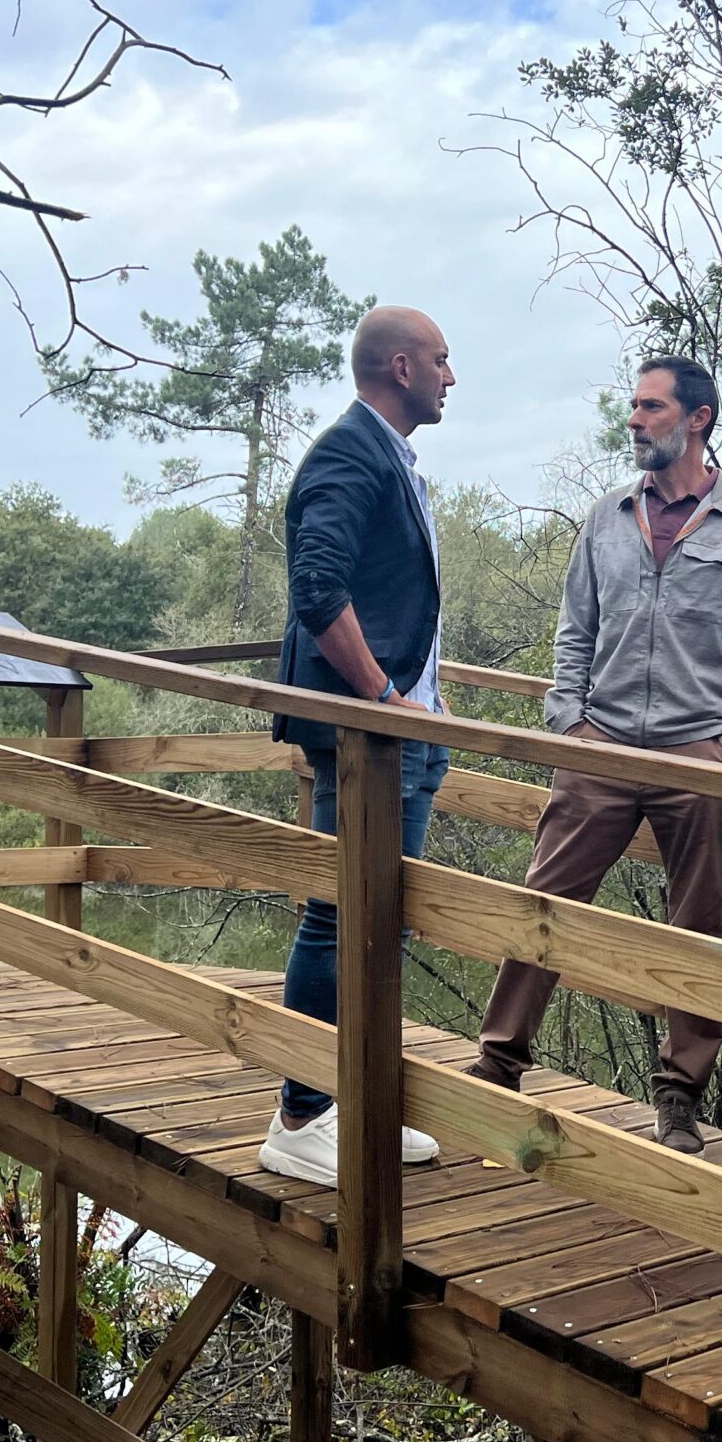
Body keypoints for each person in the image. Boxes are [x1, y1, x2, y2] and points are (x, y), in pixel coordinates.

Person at [469, 355, 722, 1154]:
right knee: (546, 903)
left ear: (698, 418)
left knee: (697, 926)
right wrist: (570, 723)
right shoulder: (607, 516)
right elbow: (575, 631)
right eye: (635, 406)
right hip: (601, 747)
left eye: (651, 407)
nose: (635, 420)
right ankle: (498, 1063)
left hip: (694, 757)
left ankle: (679, 1095)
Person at [259, 306, 458, 1185]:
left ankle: (359, 1100)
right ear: (402, 367)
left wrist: (426, 701)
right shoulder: (348, 452)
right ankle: (301, 1114)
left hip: (405, 728)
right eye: (442, 361)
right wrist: (381, 697)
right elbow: (318, 588)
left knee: (384, 918)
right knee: (341, 913)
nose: (452, 377)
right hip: (364, 734)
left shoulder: (391, 456)